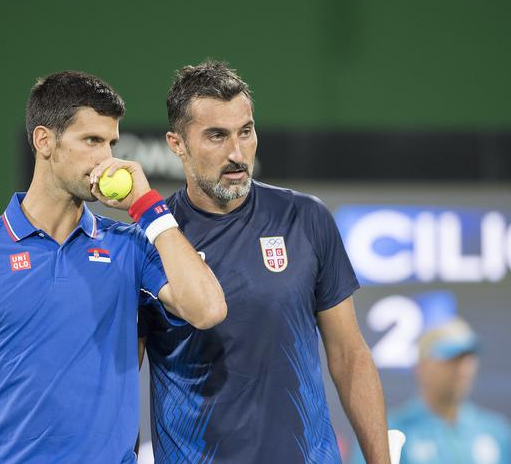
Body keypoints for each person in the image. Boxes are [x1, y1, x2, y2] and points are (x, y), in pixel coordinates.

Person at [0, 71, 227, 464]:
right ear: (44, 141)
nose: (106, 159)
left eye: (111, 143)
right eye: (91, 140)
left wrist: (150, 210)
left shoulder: (130, 247)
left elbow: (207, 309)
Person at [138, 60, 390, 463]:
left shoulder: (306, 218)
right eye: (216, 136)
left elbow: (349, 356)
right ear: (177, 144)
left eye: (246, 132)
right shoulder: (148, 243)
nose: (237, 153)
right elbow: (120, 383)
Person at [352, 317, 511, 464]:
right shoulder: (390, 433)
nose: (462, 369)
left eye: (468, 359)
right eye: (451, 358)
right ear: (421, 367)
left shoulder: (497, 431)